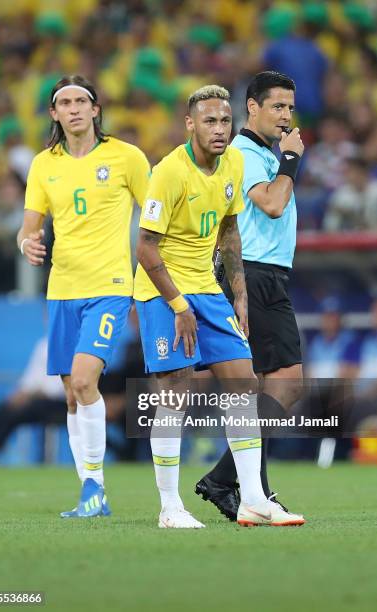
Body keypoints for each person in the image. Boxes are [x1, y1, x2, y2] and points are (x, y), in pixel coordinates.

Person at [134, 84, 304, 528]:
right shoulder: (168, 172)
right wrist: (177, 305)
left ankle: (252, 499)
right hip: (161, 289)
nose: (219, 129)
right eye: (209, 121)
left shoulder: (232, 162)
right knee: (175, 394)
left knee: (245, 382)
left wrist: (240, 294)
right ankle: (170, 508)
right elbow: (146, 248)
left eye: (224, 121)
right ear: (190, 124)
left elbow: (230, 230)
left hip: (208, 289)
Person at [17, 75, 150, 517]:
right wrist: (27, 243)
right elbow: (29, 226)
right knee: (71, 396)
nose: (74, 108)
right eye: (64, 102)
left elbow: (156, 216)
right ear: (54, 113)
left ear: (96, 109)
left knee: (83, 381)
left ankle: (93, 486)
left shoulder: (126, 157)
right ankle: (93, 493)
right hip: (61, 291)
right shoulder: (43, 165)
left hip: (109, 288)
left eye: (82, 101)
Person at [196, 71, 305, 523]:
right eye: (277, 106)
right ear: (253, 108)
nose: (285, 117)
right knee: (286, 386)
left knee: (263, 390)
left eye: (290, 108)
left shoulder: (261, 152)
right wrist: (293, 160)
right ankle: (234, 483)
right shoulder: (244, 153)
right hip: (255, 275)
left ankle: (240, 485)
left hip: (268, 276)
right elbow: (273, 203)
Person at [0, 337, 66, 463]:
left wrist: (32, 394)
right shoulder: (43, 344)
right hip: (35, 399)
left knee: (15, 414)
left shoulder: (70, 343)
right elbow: (31, 377)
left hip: (57, 402)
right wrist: (20, 393)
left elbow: (60, 386)